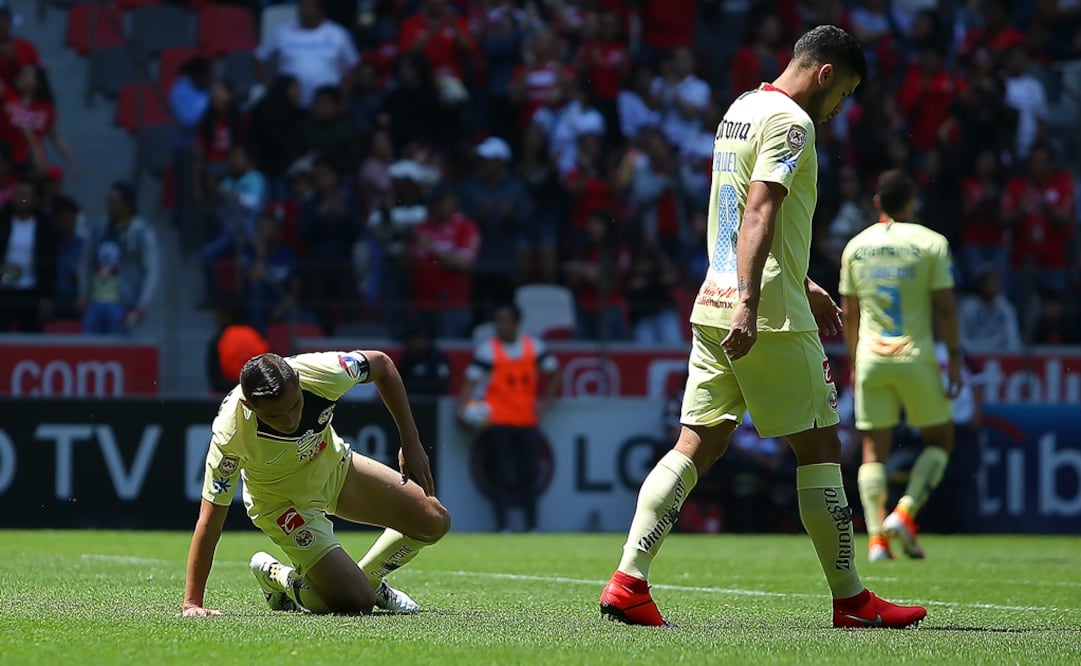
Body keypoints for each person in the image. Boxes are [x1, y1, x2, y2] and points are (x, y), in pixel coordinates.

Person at [598, 25, 927, 630]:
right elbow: (759, 208)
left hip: (715, 296)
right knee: (820, 446)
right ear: (826, 74)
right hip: (765, 312)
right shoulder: (793, 123)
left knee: (699, 441)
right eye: (845, 94)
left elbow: (733, 216)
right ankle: (853, 602)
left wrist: (796, 279)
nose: (840, 110)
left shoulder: (741, 108)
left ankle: (628, 581)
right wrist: (758, 299)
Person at [182, 351, 451, 616]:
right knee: (356, 603)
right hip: (283, 506)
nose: (290, 420)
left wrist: (410, 440)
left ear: (298, 380)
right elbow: (210, 519)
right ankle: (277, 575)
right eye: (275, 416)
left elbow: (381, 364)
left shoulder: (323, 372)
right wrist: (192, 603)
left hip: (336, 470)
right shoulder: (230, 434)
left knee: (433, 521)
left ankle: (367, 580)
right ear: (249, 406)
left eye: (294, 406)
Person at [839, 169, 962, 563]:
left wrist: (854, 361)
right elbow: (944, 306)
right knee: (940, 440)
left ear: (877, 203)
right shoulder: (931, 244)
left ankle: (876, 541)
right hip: (916, 357)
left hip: (871, 358)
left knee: (874, 450)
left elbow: (849, 312)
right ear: (912, 201)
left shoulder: (856, 247)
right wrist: (956, 359)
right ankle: (904, 513)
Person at [456, 303, 560, 533]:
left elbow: (554, 372)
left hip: (526, 421)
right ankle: (502, 526)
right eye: (498, 320)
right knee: (499, 475)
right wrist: (461, 409)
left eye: (505, 320)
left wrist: (545, 402)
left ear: (516, 323)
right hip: (497, 421)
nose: (501, 325)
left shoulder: (533, 347)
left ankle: (531, 526)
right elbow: (471, 381)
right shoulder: (488, 350)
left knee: (528, 475)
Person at [78, 181, 159, 335]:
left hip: (122, 302)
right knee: (89, 350)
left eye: (114, 201)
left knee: (118, 349)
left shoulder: (142, 233)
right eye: (108, 200)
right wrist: (82, 293)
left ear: (128, 205)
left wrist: (143, 304)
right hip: (96, 300)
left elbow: (152, 271)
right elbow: (85, 262)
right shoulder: (99, 229)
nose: (109, 205)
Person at [0, 181, 55, 332]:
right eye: (18, 194)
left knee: (30, 333)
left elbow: (50, 264)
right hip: (4, 288)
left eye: (25, 196)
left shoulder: (44, 226)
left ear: (35, 200)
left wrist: (46, 296)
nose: (20, 199)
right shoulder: (3, 221)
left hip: (31, 291)